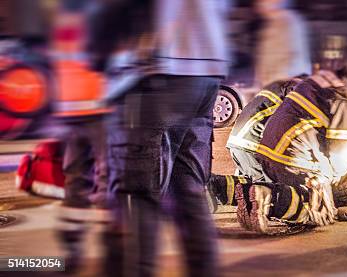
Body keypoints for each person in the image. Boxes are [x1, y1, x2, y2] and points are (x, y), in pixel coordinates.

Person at [87, 0, 230, 276]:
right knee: (188, 194)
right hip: (206, 70)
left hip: (155, 74)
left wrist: (98, 50)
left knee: (135, 198)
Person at [232, 66, 347, 234]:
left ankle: (221, 187)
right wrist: (329, 179)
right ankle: (267, 196)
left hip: (263, 153)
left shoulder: (311, 83)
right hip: (293, 160)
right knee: (319, 214)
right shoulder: (344, 96)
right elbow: (341, 156)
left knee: (297, 195)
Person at [51, 1, 111, 272]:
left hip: (73, 108)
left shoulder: (66, 14)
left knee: (78, 179)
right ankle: (111, 248)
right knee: (107, 179)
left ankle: (74, 247)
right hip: (101, 106)